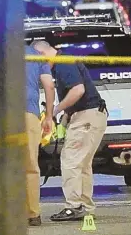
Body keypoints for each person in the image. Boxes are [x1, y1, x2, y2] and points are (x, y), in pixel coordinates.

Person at [0, 41, 55, 226]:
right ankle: (32, 214)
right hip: (28, 115)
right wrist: (49, 116)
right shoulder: (35, 55)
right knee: (30, 166)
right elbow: (49, 86)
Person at [34, 41, 108, 221]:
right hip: (90, 115)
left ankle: (74, 206)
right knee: (82, 163)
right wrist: (67, 115)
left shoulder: (63, 62)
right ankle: (85, 206)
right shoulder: (63, 62)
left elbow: (78, 90)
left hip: (86, 117)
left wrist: (56, 110)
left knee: (71, 160)